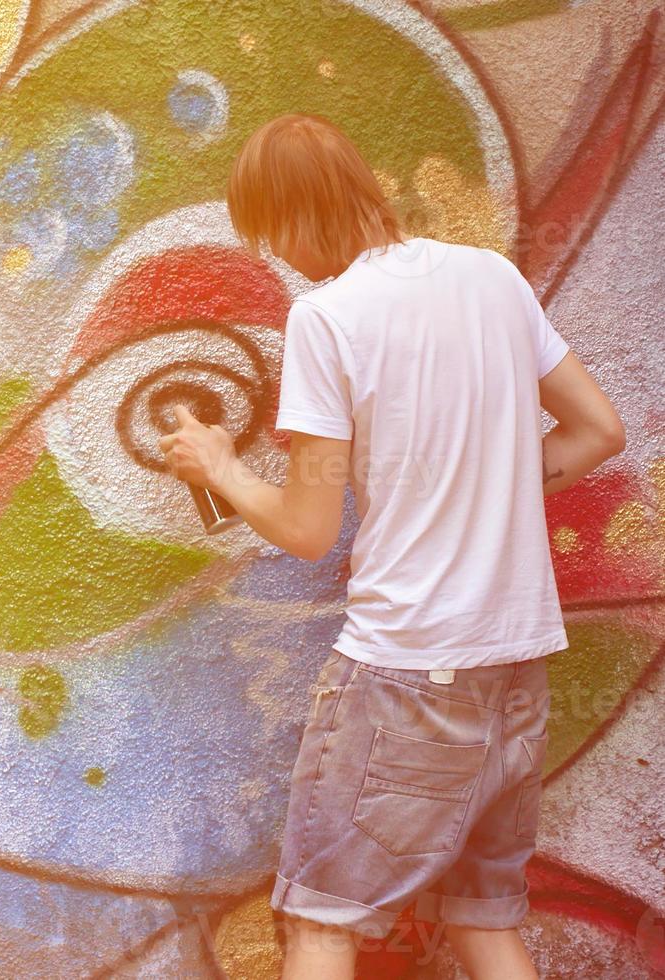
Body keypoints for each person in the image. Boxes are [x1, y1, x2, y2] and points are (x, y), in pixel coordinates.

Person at [159, 113, 625, 980]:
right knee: (484, 921)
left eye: (271, 238)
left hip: (407, 671)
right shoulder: (492, 279)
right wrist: (489, 485)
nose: (281, 260)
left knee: (322, 925)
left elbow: (304, 528)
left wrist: (219, 467)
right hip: (515, 668)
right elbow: (597, 429)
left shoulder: (327, 320)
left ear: (295, 217)